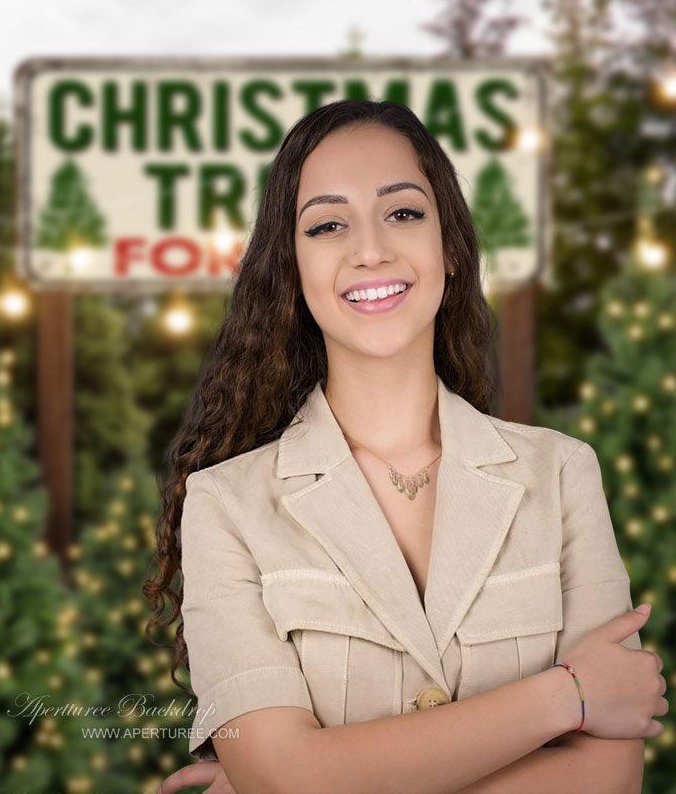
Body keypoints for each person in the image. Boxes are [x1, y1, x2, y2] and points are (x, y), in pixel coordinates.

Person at [144, 99, 668, 794]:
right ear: (292, 272)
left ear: (449, 246)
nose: (371, 250)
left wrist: (317, 777)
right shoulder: (224, 506)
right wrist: (566, 697)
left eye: (403, 213)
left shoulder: (563, 474)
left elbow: (608, 780)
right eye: (328, 225)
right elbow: (285, 779)